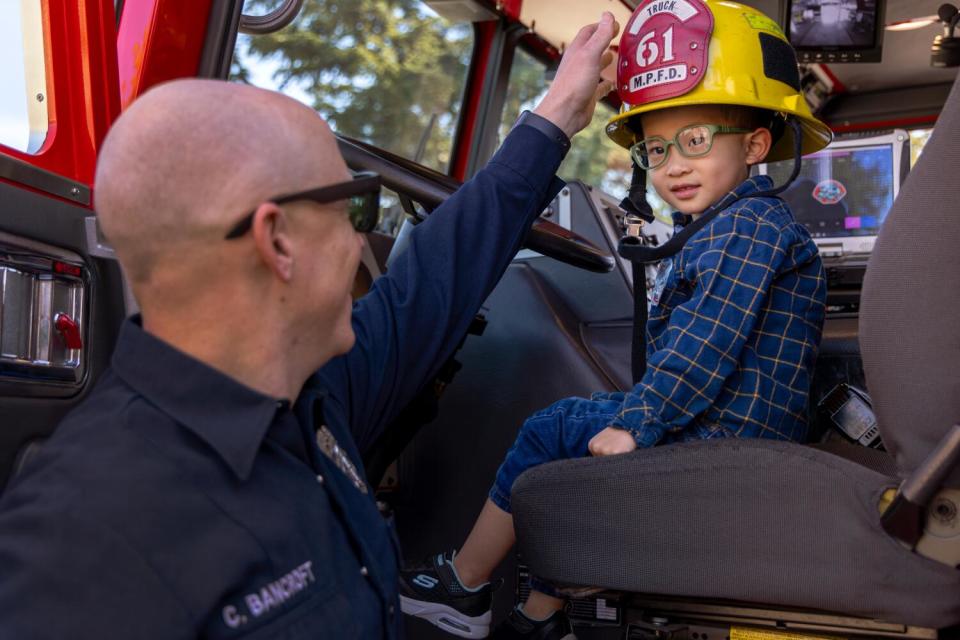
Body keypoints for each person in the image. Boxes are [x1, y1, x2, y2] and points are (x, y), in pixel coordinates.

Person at [0, 14, 619, 640]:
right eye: (350, 208)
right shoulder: (77, 544)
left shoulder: (314, 396)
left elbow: (437, 276)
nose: (358, 243)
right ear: (278, 242)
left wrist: (559, 113)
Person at [398, 2, 831, 638]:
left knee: (551, 430)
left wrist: (638, 420)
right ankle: (537, 617)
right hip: (736, 425)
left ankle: (462, 585)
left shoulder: (745, 226)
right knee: (581, 454)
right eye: (656, 150)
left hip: (727, 436)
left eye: (695, 141)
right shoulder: (728, 225)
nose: (674, 165)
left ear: (756, 145)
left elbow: (704, 344)